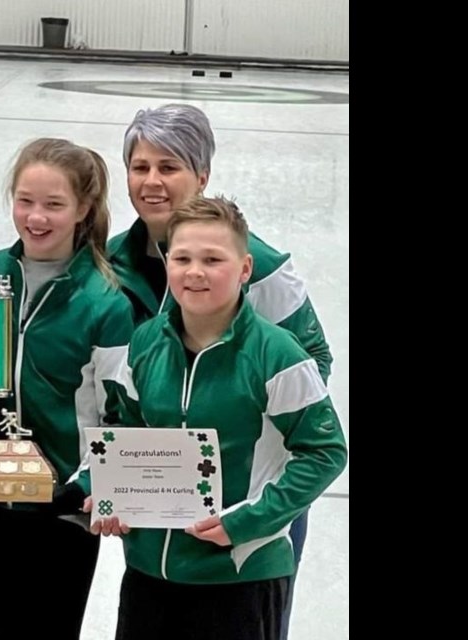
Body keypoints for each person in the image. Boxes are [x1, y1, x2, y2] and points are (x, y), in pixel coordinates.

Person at [107, 105, 332, 632]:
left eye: (170, 166)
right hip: (160, 521)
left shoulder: (262, 266)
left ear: (202, 175)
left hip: (249, 509)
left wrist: (250, 463)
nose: (153, 181)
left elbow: (312, 363)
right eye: (140, 167)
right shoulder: (112, 260)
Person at [0, 138, 134, 639]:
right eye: (25, 201)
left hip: (63, 507)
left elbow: (117, 414)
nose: (36, 217)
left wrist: (89, 485)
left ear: (83, 209)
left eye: (54, 204)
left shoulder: (105, 302)